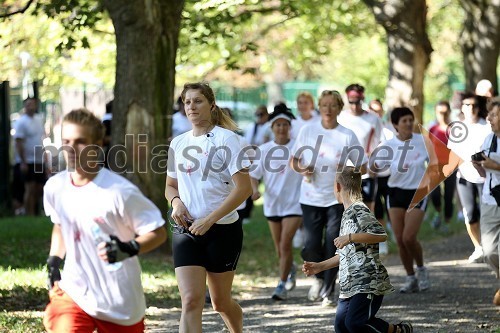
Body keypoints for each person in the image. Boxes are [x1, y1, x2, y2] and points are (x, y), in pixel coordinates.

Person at [43, 108, 167, 333]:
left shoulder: (120, 192)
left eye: (80, 141)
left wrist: (129, 248)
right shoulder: (55, 187)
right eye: (66, 140)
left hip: (119, 300)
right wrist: (54, 259)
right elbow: (61, 223)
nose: (71, 148)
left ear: (98, 144)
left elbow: (159, 232)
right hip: (75, 292)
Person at [165, 82, 252, 332]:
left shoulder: (228, 140)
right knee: (190, 301)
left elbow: (243, 188)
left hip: (222, 230)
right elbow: (170, 186)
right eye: (187, 101)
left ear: (211, 105)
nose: (191, 106)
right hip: (186, 231)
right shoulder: (177, 143)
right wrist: (176, 202)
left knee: (220, 303)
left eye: (198, 100)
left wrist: (210, 219)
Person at [302, 166, 413, 333]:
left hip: (366, 282)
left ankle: (397, 331)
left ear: (337, 186)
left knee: (355, 323)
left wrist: (350, 237)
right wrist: (319, 267)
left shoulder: (359, 209)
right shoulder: (347, 213)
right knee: (341, 326)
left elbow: (380, 234)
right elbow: (344, 255)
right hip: (349, 285)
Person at [290, 90, 367, 306]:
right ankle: (318, 277)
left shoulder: (347, 135)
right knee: (311, 244)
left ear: (339, 108)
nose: (328, 109)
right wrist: (303, 169)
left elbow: (362, 165)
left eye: (333, 105)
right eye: (324, 105)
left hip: (337, 198)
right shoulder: (308, 130)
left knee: (334, 242)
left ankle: (328, 289)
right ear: (319, 108)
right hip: (310, 197)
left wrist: (347, 169)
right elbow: (293, 160)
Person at [372, 107, 436, 293]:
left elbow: (434, 165)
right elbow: (374, 168)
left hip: (418, 192)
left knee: (409, 237)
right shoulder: (388, 146)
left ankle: (422, 270)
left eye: (410, 120)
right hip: (395, 193)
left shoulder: (423, 141)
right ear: (395, 125)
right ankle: (410, 277)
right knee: (400, 239)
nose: (408, 124)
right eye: (404, 121)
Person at [250, 104, 302, 300]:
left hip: (294, 203)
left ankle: (281, 284)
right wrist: (255, 190)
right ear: (272, 128)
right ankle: (290, 268)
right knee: (279, 247)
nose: (281, 128)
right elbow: (254, 175)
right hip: (273, 204)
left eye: (284, 124)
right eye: (277, 125)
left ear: (289, 126)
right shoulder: (264, 150)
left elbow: (306, 168)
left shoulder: (298, 147)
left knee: (285, 243)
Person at [444, 93, 491, 263]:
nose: (469, 108)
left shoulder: (486, 127)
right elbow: (453, 153)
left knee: (486, 213)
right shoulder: (457, 128)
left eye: (472, 105)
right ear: (461, 108)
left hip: (485, 177)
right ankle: (478, 247)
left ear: (478, 108)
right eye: (466, 105)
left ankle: (490, 246)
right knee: (470, 214)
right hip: (464, 176)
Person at [472, 97, 500, 306]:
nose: (489, 118)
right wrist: (479, 166)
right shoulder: (488, 139)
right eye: (489, 114)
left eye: (494, 114)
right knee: (489, 251)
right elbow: (485, 172)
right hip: (491, 199)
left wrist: (494, 165)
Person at [338, 84, 383, 213]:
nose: (354, 106)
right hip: (346, 172)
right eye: (351, 102)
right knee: (349, 211)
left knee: (367, 212)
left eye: (358, 102)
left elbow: (380, 142)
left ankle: (367, 233)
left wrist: (375, 163)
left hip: (367, 170)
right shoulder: (341, 118)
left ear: (362, 99)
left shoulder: (373, 119)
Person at [368, 98, 397, 254]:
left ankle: (395, 230)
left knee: (390, 205)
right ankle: (381, 239)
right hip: (373, 175)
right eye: (373, 111)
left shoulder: (389, 130)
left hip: (389, 175)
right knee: (377, 208)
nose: (376, 114)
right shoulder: (368, 129)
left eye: (378, 111)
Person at [13, 97, 47, 216]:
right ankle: (29, 214)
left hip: (38, 160)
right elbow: (18, 142)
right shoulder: (21, 122)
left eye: (32, 104)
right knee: (30, 187)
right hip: (28, 160)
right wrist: (23, 161)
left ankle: (34, 211)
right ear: (24, 106)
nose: (30, 106)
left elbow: (42, 139)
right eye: (28, 104)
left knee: (39, 187)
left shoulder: (39, 119)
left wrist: (45, 157)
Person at [428, 101, 456, 232]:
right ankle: (438, 213)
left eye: (445, 112)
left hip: (451, 167)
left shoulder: (455, 129)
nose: (443, 115)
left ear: (449, 112)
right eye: (440, 112)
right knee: (434, 195)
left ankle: (447, 222)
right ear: (436, 112)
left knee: (449, 195)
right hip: (435, 167)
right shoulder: (432, 128)